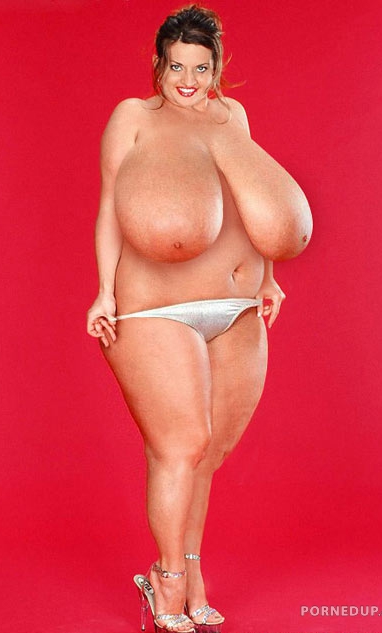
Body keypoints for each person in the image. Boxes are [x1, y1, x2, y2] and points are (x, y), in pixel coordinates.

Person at [86, 5, 312, 632]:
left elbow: (249, 203)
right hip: (156, 307)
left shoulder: (232, 115)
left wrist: (268, 277)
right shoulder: (133, 117)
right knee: (179, 445)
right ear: (158, 64)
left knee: (207, 453)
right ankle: (166, 580)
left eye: (201, 68)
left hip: (236, 308)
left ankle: (191, 569)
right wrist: (103, 292)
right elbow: (109, 207)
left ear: (217, 69)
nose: (188, 80)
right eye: (177, 66)